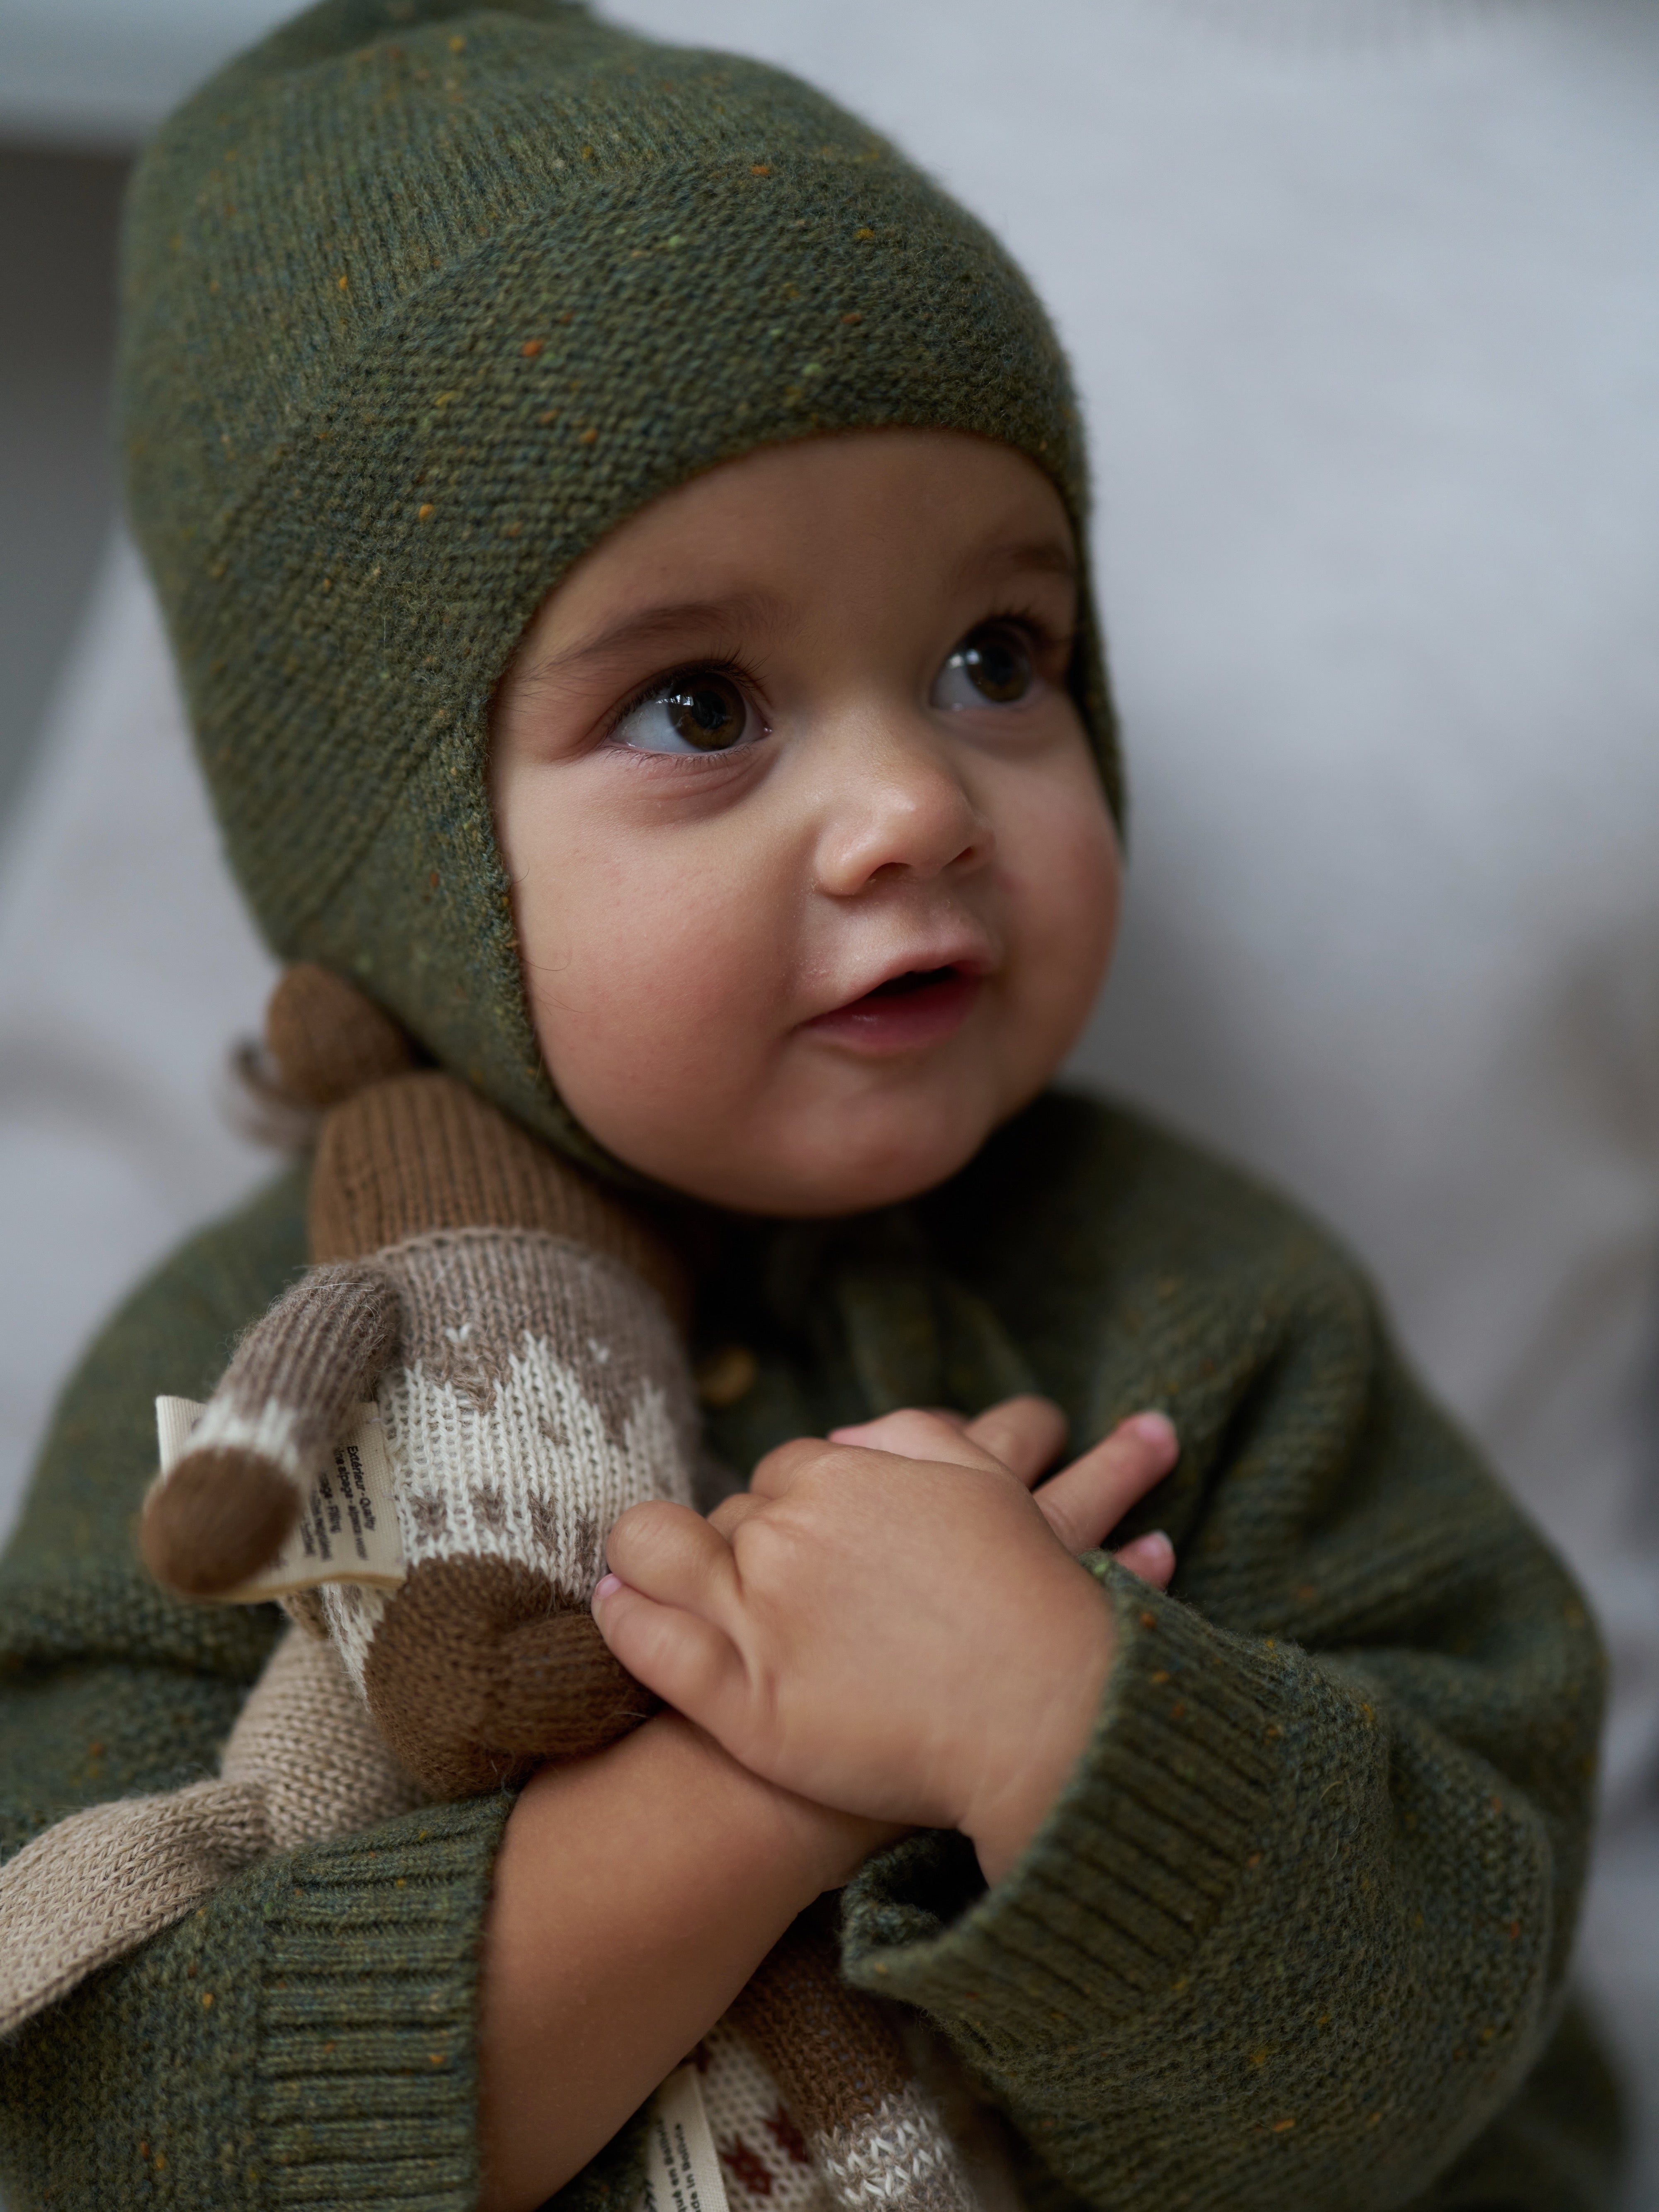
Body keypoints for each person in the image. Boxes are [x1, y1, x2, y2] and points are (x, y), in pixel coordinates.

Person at [0, 4, 1622, 2209]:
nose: (910, 804)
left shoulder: (1205, 1318)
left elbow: (1440, 2035)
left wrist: (1055, 1722)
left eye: (998, 657)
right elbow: (113, 2122)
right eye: (703, 704)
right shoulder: (244, 1401)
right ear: (403, 857)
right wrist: (769, 1783)